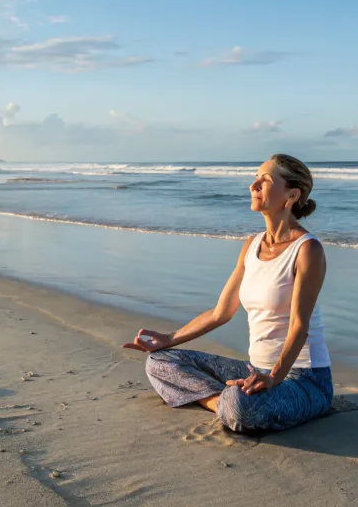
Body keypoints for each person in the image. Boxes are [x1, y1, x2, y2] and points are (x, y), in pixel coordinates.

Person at [122, 154, 332, 433]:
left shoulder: (307, 250)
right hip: (254, 370)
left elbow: (299, 326)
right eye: (255, 177)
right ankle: (225, 403)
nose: (253, 185)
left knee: (241, 405)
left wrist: (273, 377)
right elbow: (221, 312)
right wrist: (168, 339)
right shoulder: (251, 245)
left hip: (304, 379)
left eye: (265, 180)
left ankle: (231, 404)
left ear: (291, 195)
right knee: (160, 361)